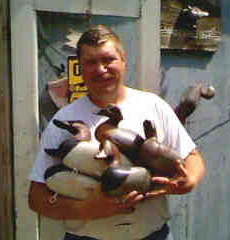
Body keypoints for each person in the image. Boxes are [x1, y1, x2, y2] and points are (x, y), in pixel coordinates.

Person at [28, 24, 205, 240]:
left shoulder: (152, 105)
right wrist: (89, 208)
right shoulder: (64, 119)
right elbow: (36, 198)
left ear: (123, 60)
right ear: (80, 68)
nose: (100, 69)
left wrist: (189, 181)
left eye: (108, 59)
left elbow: (192, 158)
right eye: (90, 62)